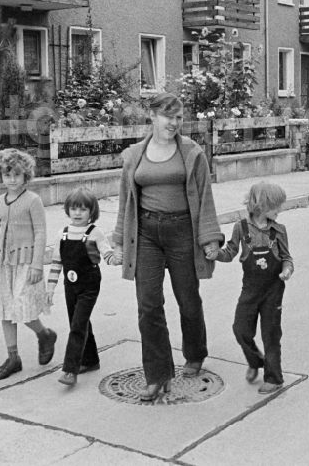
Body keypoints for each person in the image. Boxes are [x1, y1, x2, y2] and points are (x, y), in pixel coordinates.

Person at [110, 93, 224, 402]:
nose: (173, 123)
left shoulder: (191, 152)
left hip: (182, 232)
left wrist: (210, 237)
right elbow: (126, 200)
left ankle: (195, 352)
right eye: (167, 116)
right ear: (152, 116)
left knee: (187, 298)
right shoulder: (134, 154)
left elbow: (204, 196)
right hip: (145, 233)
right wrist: (119, 240)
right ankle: (157, 375)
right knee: (148, 304)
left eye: (178, 117)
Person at [0, 148, 58, 381]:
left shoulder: (33, 201)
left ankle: (44, 335)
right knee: (4, 308)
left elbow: (41, 232)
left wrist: (37, 265)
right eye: (7, 175)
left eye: (16, 175)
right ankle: (13, 357)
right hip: (3, 263)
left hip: (26, 262)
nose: (11, 180)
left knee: (24, 307)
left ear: (26, 176)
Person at [208, 182, 293, 395]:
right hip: (250, 290)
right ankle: (255, 360)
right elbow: (229, 253)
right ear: (262, 205)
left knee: (271, 335)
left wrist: (287, 270)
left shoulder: (279, 230)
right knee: (241, 329)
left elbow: (286, 258)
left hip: (273, 290)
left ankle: (274, 378)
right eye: (276, 206)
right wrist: (215, 253)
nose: (279, 210)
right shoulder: (241, 228)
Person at [47, 187, 114, 386]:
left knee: (77, 326)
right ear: (67, 210)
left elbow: (107, 252)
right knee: (78, 322)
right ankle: (91, 360)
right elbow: (56, 263)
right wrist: (50, 288)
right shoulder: (62, 233)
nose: (78, 213)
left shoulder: (95, 233)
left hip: (90, 283)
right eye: (74, 208)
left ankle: (70, 370)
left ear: (92, 212)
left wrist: (116, 259)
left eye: (83, 209)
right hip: (70, 284)